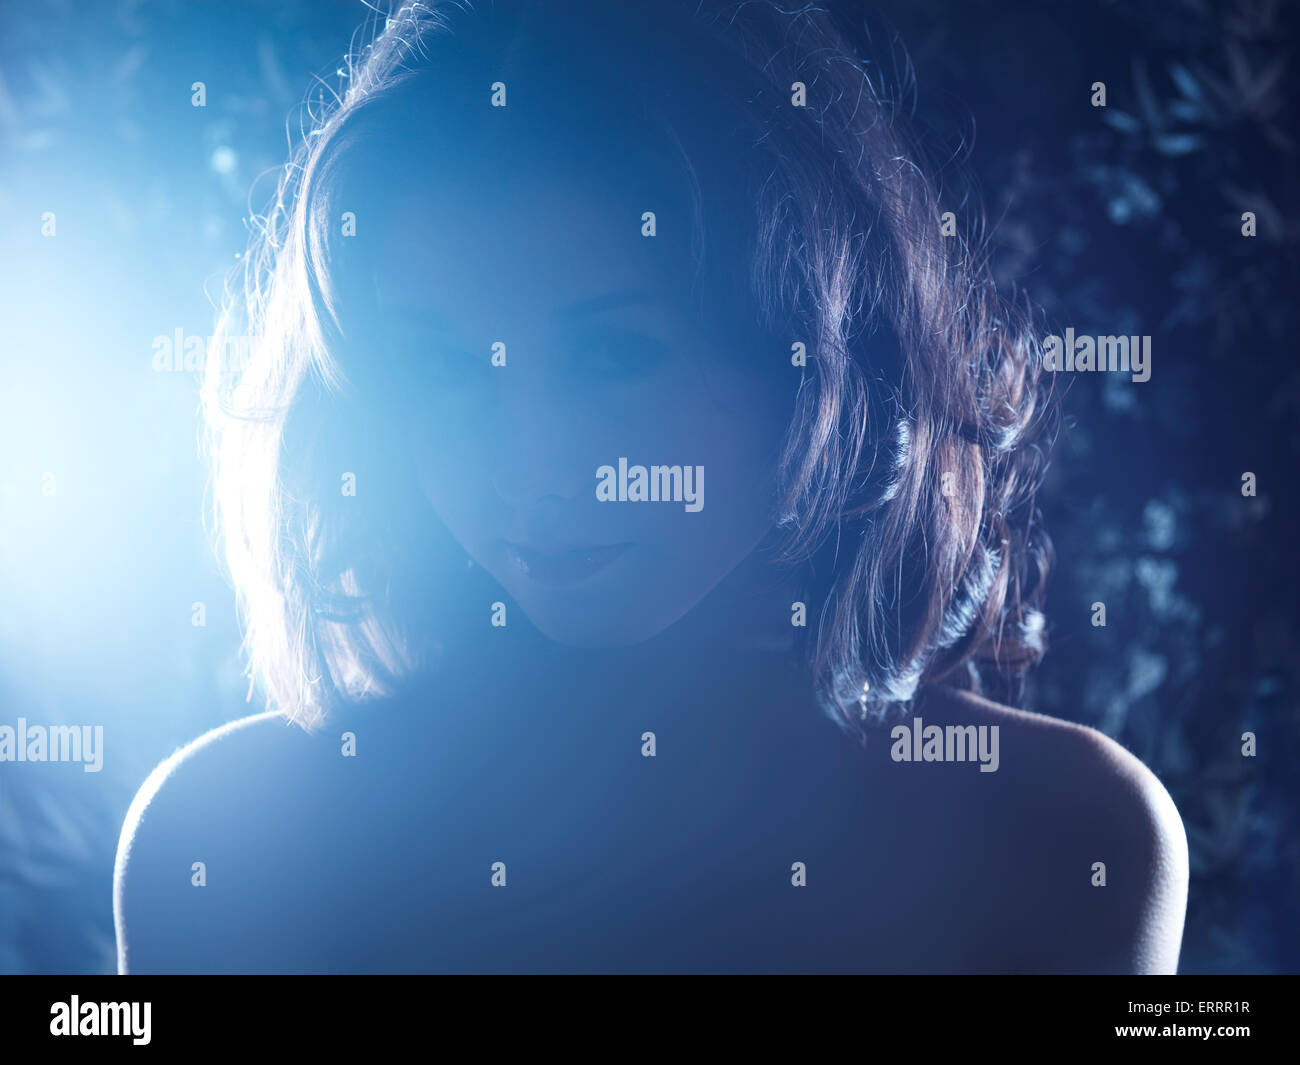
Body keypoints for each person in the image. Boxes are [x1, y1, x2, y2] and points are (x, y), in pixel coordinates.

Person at [114, 0, 1188, 974]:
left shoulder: (1061, 842)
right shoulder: (226, 847)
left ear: (814, 359)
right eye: (442, 368)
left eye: (614, 356)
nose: (528, 467)